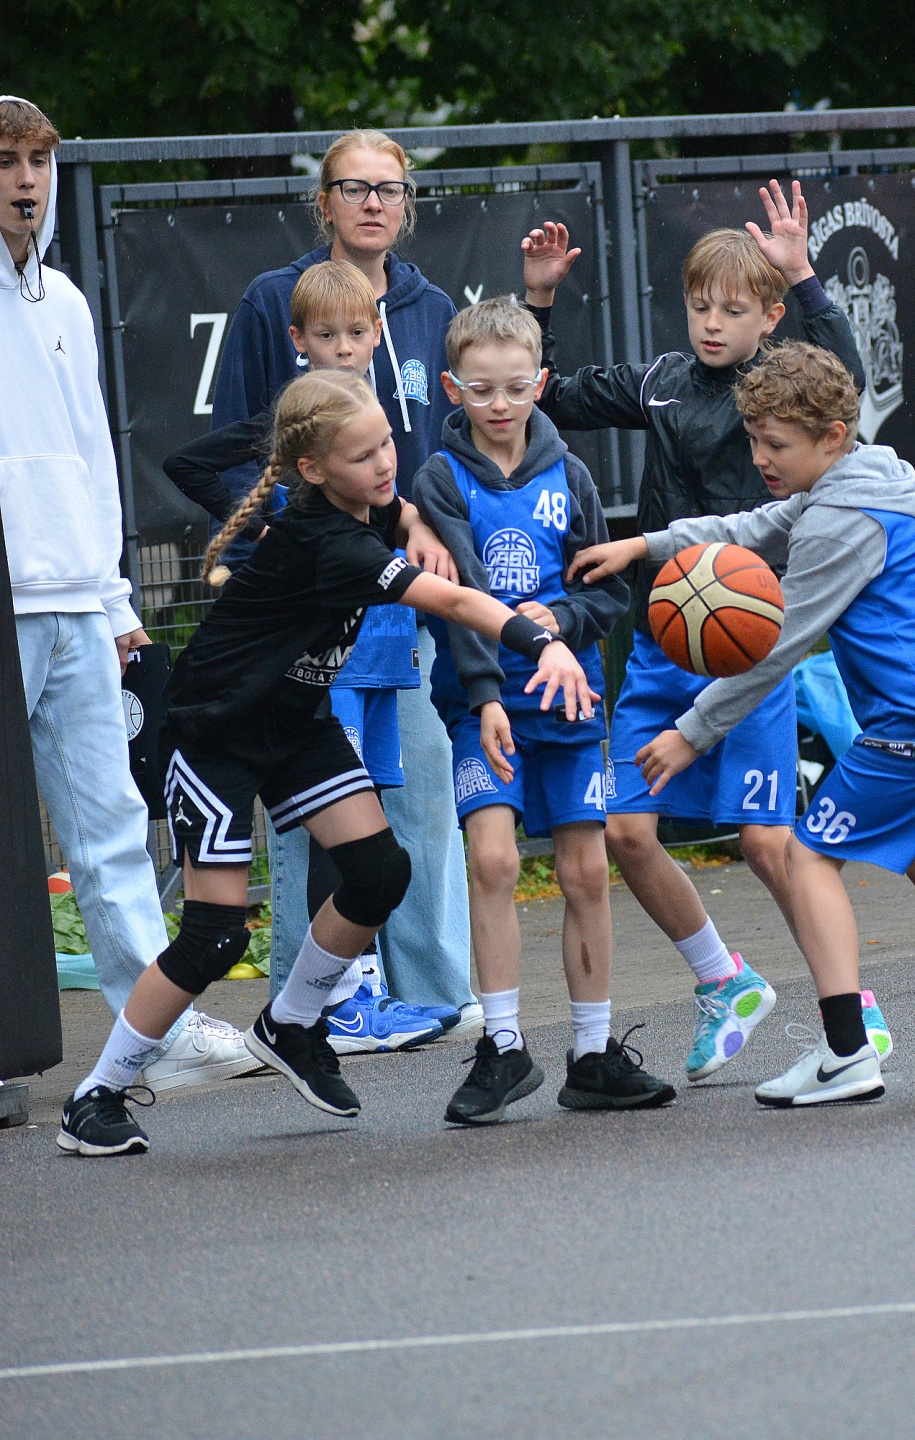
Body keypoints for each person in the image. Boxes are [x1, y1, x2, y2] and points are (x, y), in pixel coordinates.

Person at [58, 369, 596, 1156]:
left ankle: (292, 1023)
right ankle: (94, 1095)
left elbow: (397, 507)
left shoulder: (365, 506)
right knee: (214, 936)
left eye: (386, 445)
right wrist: (544, 642)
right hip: (217, 732)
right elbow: (450, 602)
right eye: (363, 456)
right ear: (311, 469)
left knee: (380, 873)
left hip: (294, 721)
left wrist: (414, 516)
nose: (385, 464)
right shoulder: (330, 543)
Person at [571, 341, 915, 1106]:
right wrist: (646, 545)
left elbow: (778, 646)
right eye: (754, 439)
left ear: (832, 436)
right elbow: (754, 527)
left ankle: (847, 1052)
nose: (760, 457)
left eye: (775, 444)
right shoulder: (874, 478)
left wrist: (691, 732)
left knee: (809, 856)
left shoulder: (839, 523)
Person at [521, 182, 890, 1081]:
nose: (712, 324)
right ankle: (725, 979)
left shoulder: (784, 387)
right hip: (659, 642)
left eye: (732, 310)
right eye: (699, 307)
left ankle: (853, 1004)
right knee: (625, 831)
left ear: (770, 317)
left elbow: (845, 379)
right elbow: (549, 396)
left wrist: (804, 275)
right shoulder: (661, 382)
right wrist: (539, 299)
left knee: (764, 841)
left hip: (748, 644)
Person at [0, 94, 257, 1092]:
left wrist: (114, 602)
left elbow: (88, 456)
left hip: (77, 601)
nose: (25, 179)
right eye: (6, 161)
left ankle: (157, 1029)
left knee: (111, 821)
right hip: (9, 606)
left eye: (37, 161)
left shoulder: (65, 302)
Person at [210, 128, 477, 1037]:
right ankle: (311, 1004)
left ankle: (434, 993)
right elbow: (234, 448)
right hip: (308, 605)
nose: (372, 202)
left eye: (388, 188)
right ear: (322, 201)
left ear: (406, 205)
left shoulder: (431, 306)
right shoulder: (273, 300)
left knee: (421, 795)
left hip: (405, 597)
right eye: (354, 187)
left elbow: (450, 443)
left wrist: (427, 529)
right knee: (315, 805)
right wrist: (279, 542)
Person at [165, 259, 447, 1052]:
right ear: (298, 341)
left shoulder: (374, 429)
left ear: (379, 333)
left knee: (370, 812)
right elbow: (187, 464)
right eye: (327, 335)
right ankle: (337, 1003)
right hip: (304, 653)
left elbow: (399, 506)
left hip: (376, 634)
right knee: (326, 824)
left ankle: (358, 991)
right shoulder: (299, 431)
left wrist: (415, 522)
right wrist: (260, 523)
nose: (344, 348)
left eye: (357, 332)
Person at [413, 297, 675, 1122]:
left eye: (516, 387)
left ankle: (592, 1055)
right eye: (481, 389)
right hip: (482, 703)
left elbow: (606, 593)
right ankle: (501, 1045)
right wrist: (487, 693)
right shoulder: (440, 479)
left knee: (586, 871)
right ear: (453, 388)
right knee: (492, 860)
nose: (499, 404)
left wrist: (559, 621)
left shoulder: (572, 476)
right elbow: (458, 597)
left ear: (540, 383)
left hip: (568, 700)